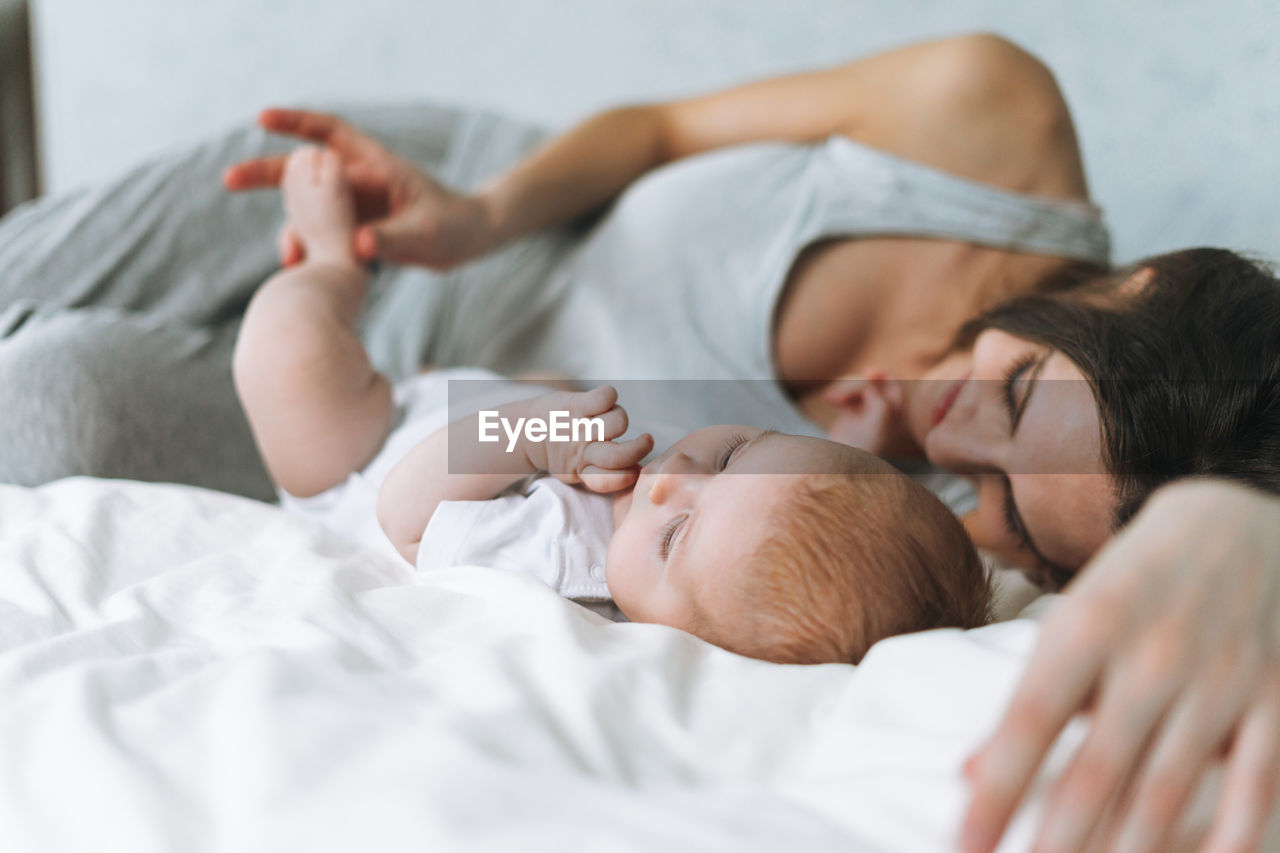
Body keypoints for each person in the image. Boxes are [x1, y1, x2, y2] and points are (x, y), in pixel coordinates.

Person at [0, 31, 1274, 849]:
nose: (948, 436)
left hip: (400, 421)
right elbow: (656, 131)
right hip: (452, 218)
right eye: (1004, 396)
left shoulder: (869, 546)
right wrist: (479, 213)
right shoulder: (987, 118)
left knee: (50, 392)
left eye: (993, 498)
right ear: (1132, 286)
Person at [232, 146, 991, 665]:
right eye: (733, 453)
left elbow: (407, 511)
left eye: (676, 535)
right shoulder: (675, 524)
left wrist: (537, 430)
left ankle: (333, 260)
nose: (674, 476)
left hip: (358, 458)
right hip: (452, 408)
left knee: (285, 355)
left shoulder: (567, 569)